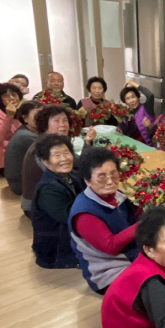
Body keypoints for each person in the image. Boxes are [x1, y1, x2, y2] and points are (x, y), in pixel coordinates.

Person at [69, 147, 140, 294]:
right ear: (87, 180)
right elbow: (110, 246)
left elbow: (130, 220)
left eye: (114, 174)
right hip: (108, 271)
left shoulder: (116, 195)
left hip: (130, 255)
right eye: (101, 176)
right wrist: (143, 225)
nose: (110, 181)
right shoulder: (84, 213)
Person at [21, 105, 95, 216]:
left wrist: (88, 142)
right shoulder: (41, 148)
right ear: (45, 124)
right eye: (56, 121)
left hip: (56, 195)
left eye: (65, 120)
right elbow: (63, 175)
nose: (62, 125)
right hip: (37, 205)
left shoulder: (57, 142)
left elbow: (79, 163)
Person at [31, 134, 85, 269]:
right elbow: (71, 217)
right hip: (57, 250)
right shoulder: (48, 189)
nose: (64, 159)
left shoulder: (72, 175)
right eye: (57, 155)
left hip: (72, 236)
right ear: (45, 161)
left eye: (67, 153)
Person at [4, 100, 42, 194]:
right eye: (37, 115)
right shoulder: (26, 137)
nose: (42, 118)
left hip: (19, 182)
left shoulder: (26, 131)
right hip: (21, 185)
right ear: (25, 118)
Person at [0, 83, 23, 175]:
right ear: (0, 99)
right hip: (5, 163)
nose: (11, 98)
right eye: (6, 96)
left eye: (14, 94)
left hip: (20, 155)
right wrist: (9, 117)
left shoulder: (20, 112)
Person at [117, 81, 155, 145]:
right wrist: (120, 120)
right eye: (128, 98)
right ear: (125, 102)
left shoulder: (147, 108)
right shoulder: (127, 114)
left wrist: (132, 83)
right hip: (134, 145)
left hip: (148, 146)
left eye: (133, 97)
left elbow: (150, 95)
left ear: (138, 97)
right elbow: (126, 133)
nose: (131, 100)